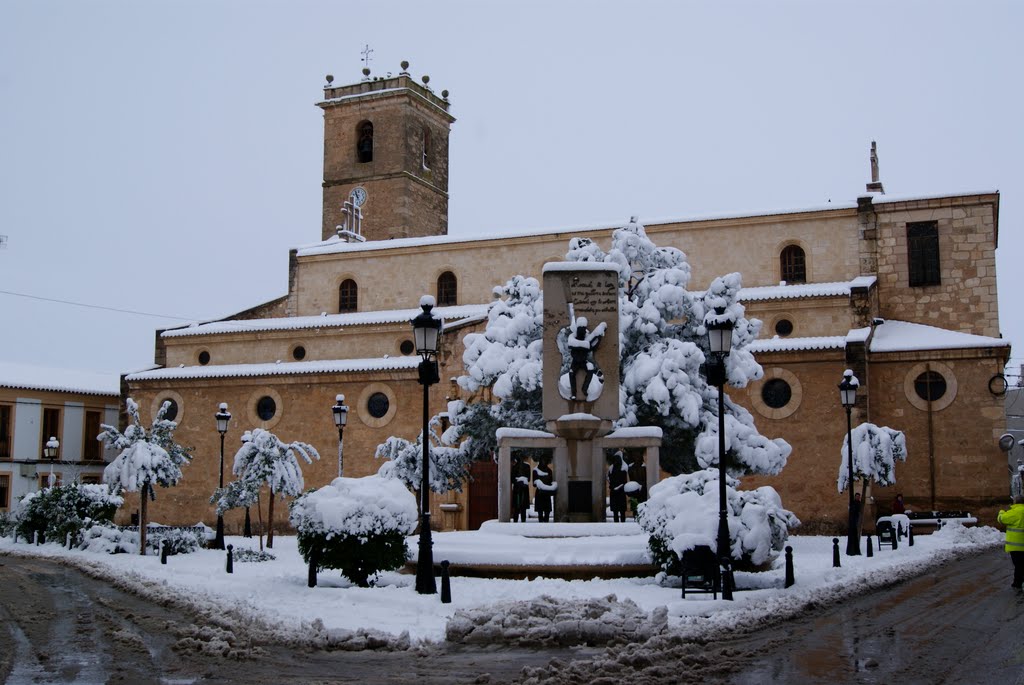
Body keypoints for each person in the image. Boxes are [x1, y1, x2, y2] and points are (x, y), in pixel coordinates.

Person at [997, 494, 1024, 589]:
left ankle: (1017, 583)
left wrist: (1001, 512)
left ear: (1015, 502)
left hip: (1016, 546)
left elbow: (1001, 519)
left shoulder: (1014, 512)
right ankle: (1017, 582)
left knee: (1018, 565)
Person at [532, 455, 556, 523]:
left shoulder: (549, 470)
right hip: (539, 493)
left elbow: (551, 481)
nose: (543, 462)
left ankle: (546, 524)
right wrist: (539, 483)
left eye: (545, 460)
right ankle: (541, 524)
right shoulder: (535, 470)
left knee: (547, 511)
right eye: (542, 460)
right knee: (540, 511)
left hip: (546, 493)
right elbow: (534, 483)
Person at [608, 451, 628, 523]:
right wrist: (612, 486)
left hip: (621, 492)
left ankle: (623, 522)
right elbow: (609, 479)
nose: (615, 462)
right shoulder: (611, 469)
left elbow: (624, 481)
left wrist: (619, 487)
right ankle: (615, 523)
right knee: (615, 510)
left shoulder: (623, 469)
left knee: (622, 510)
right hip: (613, 491)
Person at [511, 454, 531, 523]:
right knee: (516, 508)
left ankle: (523, 522)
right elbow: (512, 479)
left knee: (523, 508)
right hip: (517, 489)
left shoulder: (527, 466)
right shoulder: (514, 467)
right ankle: (515, 521)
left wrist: (522, 481)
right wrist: (518, 481)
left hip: (524, 489)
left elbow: (528, 478)